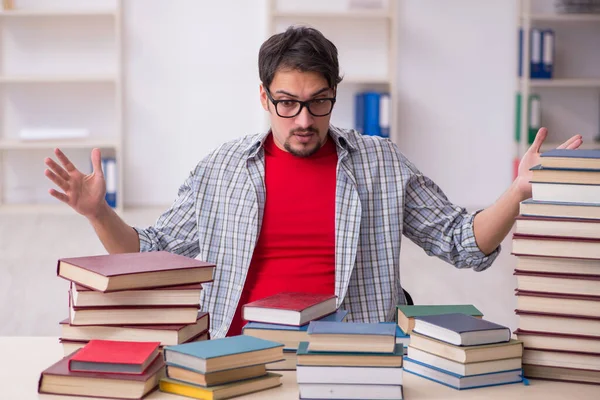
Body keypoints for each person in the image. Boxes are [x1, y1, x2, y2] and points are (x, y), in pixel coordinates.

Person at [43, 26, 582, 339]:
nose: (304, 119)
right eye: (288, 103)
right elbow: (149, 254)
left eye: (318, 101)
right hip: (239, 355)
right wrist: (98, 212)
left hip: (354, 355)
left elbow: (463, 243)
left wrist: (516, 193)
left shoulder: (380, 162)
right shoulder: (223, 168)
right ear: (264, 98)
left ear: (335, 94)